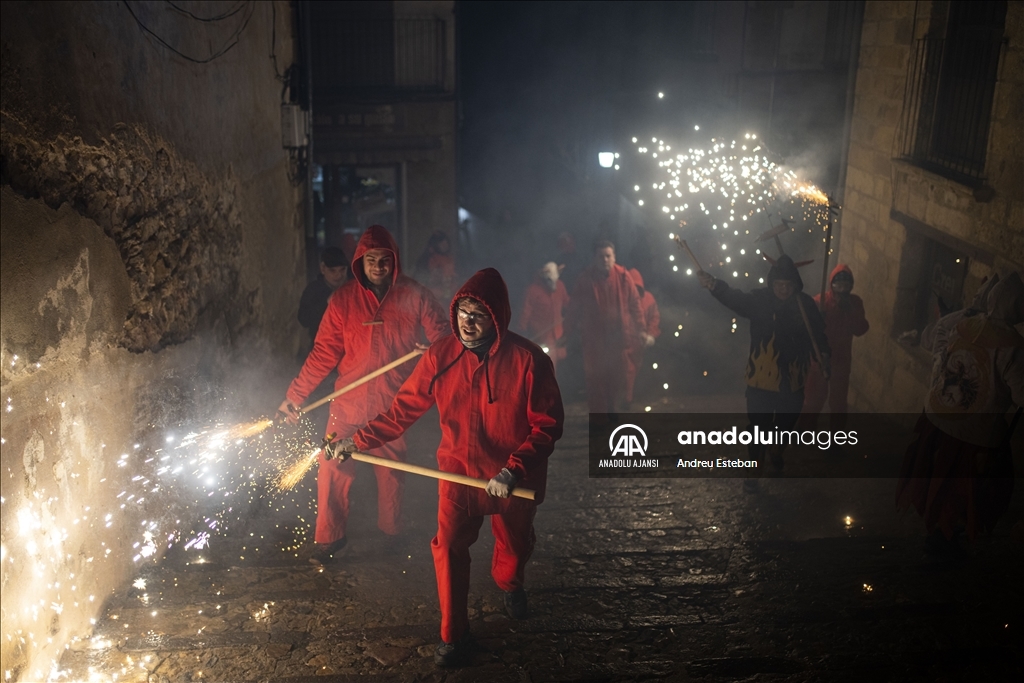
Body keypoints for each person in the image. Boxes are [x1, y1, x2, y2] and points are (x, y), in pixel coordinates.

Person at [334, 268, 563, 666]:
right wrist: (357, 440)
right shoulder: (440, 355)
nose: (467, 323)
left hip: (511, 480)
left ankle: (510, 583)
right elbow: (402, 410)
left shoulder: (529, 360)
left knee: (513, 546)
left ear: (498, 316)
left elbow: (548, 424)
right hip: (457, 474)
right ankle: (454, 636)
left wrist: (513, 469)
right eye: (462, 312)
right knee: (448, 549)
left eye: (478, 314)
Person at [278, 225, 449, 564]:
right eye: (371, 260)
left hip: (393, 404)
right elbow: (323, 352)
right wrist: (295, 395)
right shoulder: (343, 300)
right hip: (348, 404)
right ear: (360, 262)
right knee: (330, 466)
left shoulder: (414, 295)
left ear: (394, 261)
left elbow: (444, 334)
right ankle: (329, 538)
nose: (378, 266)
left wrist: (432, 348)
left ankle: (391, 532)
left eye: (384, 260)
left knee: (390, 471)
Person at [896, 272, 1023, 553]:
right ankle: (946, 534)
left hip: (940, 414)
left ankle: (942, 529)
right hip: (973, 432)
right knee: (960, 485)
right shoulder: (1013, 347)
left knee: (939, 476)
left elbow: (936, 345)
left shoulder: (962, 325)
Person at [698, 255, 829, 484]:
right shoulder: (760, 300)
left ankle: (777, 449)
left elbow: (818, 334)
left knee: (786, 423)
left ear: (795, 285)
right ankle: (754, 468)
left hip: (793, 377)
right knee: (758, 425)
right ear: (772, 284)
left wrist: (824, 354)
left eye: (788, 285)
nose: (784, 290)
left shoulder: (805, 304)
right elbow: (734, 298)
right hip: (761, 377)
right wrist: (715, 286)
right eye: (779, 285)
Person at [567, 241, 645, 413]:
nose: (605, 260)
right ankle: (599, 418)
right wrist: (566, 332)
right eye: (601, 256)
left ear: (614, 257)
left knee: (618, 377)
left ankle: (615, 413)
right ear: (595, 258)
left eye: (608, 256)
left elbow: (635, 304)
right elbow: (574, 307)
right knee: (596, 379)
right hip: (595, 340)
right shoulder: (585, 279)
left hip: (618, 337)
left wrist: (641, 329)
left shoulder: (624, 277)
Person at [800, 265, 869, 429]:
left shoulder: (855, 302)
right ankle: (804, 431)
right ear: (832, 284)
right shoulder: (820, 301)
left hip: (842, 359)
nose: (842, 287)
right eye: (839, 283)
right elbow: (807, 328)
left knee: (838, 402)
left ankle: (836, 439)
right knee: (813, 398)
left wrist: (850, 311)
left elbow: (861, 329)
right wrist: (819, 316)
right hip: (820, 357)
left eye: (846, 283)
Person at [519, 261, 570, 373]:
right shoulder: (532, 291)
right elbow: (525, 313)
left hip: (559, 336)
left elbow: (567, 303)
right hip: (542, 338)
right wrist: (523, 331)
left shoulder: (560, 285)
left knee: (563, 366)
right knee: (547, 368)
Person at [297, 247, 349, 350]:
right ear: (322, 268)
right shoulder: (313, 290)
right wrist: (326, 303)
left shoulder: (352, 288)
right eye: (332, 270)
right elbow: (304, 319)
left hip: (349, 350)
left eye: (342, 269)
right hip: (323, 348)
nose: (338, 275)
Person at [625, 268, 660, 403]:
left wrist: (651, 335)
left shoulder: (649, 299)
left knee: (635, 370)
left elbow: (654, 318)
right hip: (623, 342)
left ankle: (629, 398)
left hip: (640, 343)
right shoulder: (622, 299)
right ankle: (626, 399)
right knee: (628, 370)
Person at [415, 230, 457, 303]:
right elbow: (422, 280)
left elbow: (453, 276)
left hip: (449, 297)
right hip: (433, 298)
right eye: (441, 242)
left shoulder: (450, 258)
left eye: (445, 241)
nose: (444, 244)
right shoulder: (427, 259)